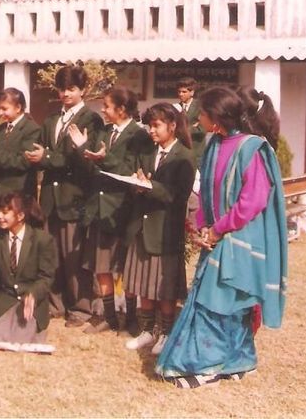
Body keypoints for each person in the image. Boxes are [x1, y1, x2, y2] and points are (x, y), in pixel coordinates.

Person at [155, 86, 288, 389]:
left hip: (240, 238)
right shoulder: (214, 144)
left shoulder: (252, 148)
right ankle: (240, 361)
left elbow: (252, 202)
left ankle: (207, 366)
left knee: (219, 302)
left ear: (215, 118)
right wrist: (203, 228)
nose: (197, 118)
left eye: (201, 113)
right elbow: (207, 194)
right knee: (225, 301)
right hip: (216, 237)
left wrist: (218, 229)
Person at [66, 88, 152, 334]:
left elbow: (130, 171)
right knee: (101, 265)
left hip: (122, 210)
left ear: (122, 109)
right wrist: (83, 149)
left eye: (106, 106)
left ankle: (132, 318)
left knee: (125, 267)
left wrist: (103, 159)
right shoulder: (103, 130)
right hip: (100, 208)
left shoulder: (139, 135)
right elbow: (92, 164)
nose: (102, 110)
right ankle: (110, 316)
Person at [24, 64, 103, 328]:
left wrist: (45, 157)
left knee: (75, 255)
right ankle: (56, 303)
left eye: (71, 88)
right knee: (52, 254)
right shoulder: (50, 120)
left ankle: (81, 307)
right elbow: (43, 151)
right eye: (62, 89)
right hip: (50, 196)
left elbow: (78, 159)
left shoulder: (91, 120)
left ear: (83, 90)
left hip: (75, 196)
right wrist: (41, 156)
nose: (66, 94)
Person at [123, 103, 195, 354]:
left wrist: (151, 187)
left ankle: (165, 332)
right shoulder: (148, 153)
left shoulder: (184, 156)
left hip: (165, 229)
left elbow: (179, 195)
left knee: (163, 288)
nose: (151, 131)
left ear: (172, 126)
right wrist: (136, 185)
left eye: (157, 126)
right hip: (142, 226)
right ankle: (147, 330)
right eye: (149, 126)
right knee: (144, 282)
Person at [0, 192, 57, 343]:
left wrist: (33, 294)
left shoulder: (43, 240)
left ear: (20, 216)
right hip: (4, 301)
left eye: (5, 212)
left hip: (30, 303)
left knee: (22, 340)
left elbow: (46, 277)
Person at [0, 88, 41, 202]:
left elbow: (22, 162)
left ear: (18, 107)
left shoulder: (31, 129)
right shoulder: (0, 129)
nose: (0, 113)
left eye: (4, 109)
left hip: (18, 196)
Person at [175, 77, 206, 165]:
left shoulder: (200, 107)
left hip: (196, 152)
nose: (181, 94)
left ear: (192, 92)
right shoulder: (176, 107)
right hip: (180, 152)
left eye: (184, 92)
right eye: (179, 91)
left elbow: (202, 130)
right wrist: (192, 127)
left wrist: (182, 130)